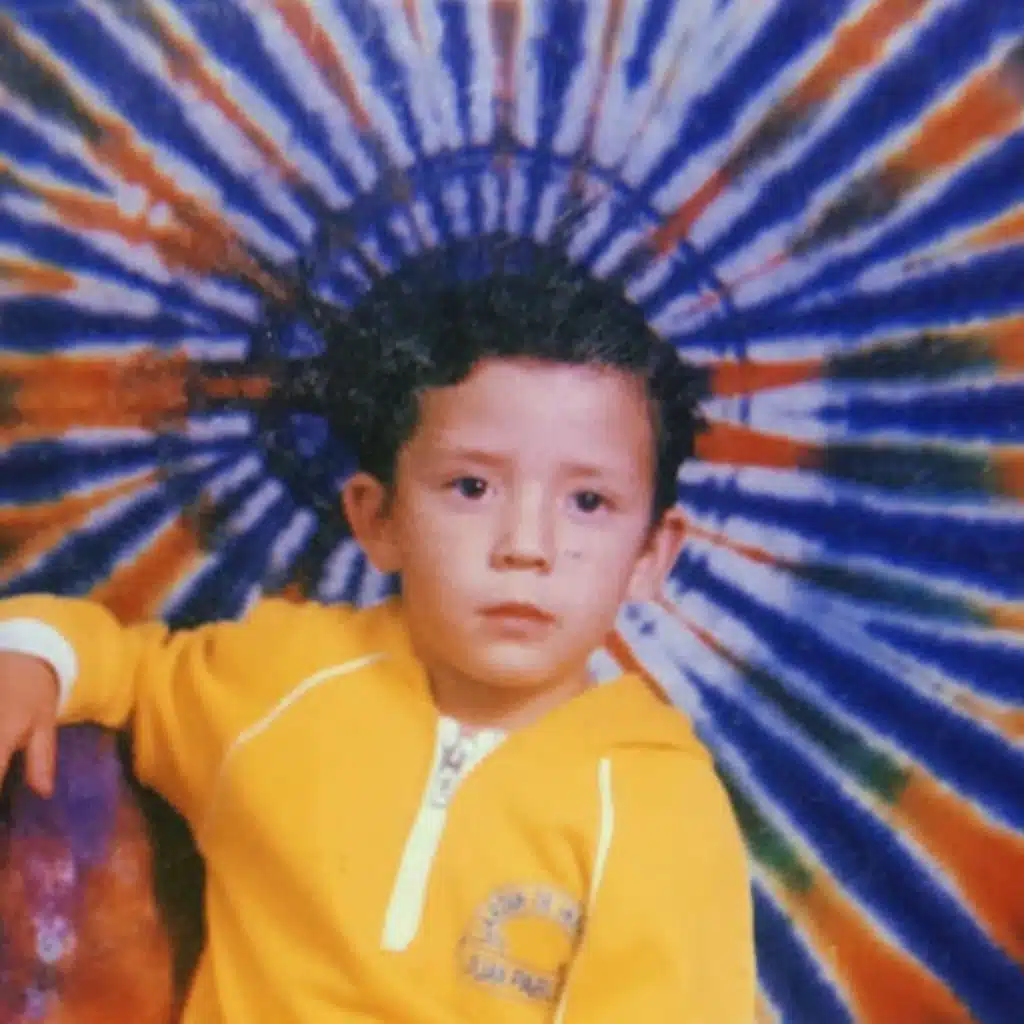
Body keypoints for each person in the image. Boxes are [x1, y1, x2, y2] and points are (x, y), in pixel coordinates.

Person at [0, 257, 755, 1022]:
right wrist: (32, 660)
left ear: (651, 554)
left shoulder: (661, 806)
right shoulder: (282, 680)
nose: (526, 546)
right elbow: (126, 667)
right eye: (472, 487)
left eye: (588, 501)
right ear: (378, 517)